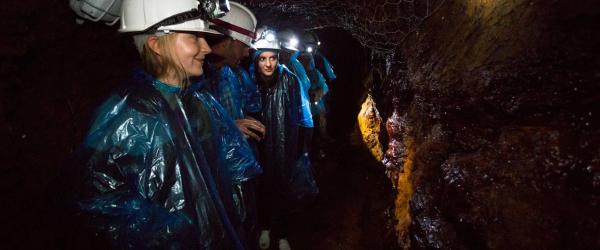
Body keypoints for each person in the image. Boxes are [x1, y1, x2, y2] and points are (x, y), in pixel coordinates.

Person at [61, 0, 257, 249]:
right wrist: (169, 233)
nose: (207, 48)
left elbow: (229, 174)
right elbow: (96, 204)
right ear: (156, 46)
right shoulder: (127, 115)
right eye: (194, 38)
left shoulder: (199, 102)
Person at [199, 1, 264, 247]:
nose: (248, 53)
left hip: (232, 176)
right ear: (229, 41)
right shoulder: (195, 78)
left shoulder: (227, 74)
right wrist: (227, 128)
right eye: (245, 46)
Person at [250, 28, 303, 250]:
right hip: (258, 145)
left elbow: (297, 115)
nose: (268, 64)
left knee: (282, 186)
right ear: (256, 60)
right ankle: (265, 227)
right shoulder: (250, 80)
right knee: (261, 187)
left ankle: (281, 234)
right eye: (262, 58)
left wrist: (297, 146)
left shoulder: (289, 80)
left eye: (272, 58)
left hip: (283, 144)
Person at [277, 29, 314, 156]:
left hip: (295, 119)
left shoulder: (292, 68)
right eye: (285, 52)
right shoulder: (275, 72)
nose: (287, 56)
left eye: (289, 53)